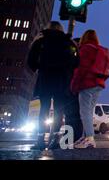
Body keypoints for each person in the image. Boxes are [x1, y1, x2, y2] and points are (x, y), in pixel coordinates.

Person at [27, 21, 79, 150]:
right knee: (58, 110)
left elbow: (31, 60)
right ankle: (55, 139)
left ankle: (40, 140)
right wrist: (67, 71)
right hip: (61, 80)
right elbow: (76, 61)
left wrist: (39, 67)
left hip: (45, 79)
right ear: (61, 29)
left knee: (43, 110)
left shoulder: (41, 40)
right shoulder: (68, 42)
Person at [71, 30, 109, 149]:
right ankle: (86, 137)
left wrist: (74, 85)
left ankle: (89, 138)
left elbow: (81, 69)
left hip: (87, 84)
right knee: (89, 112)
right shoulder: (101, 50)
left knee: (85, 112)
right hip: (98, 85)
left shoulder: (86, 49)